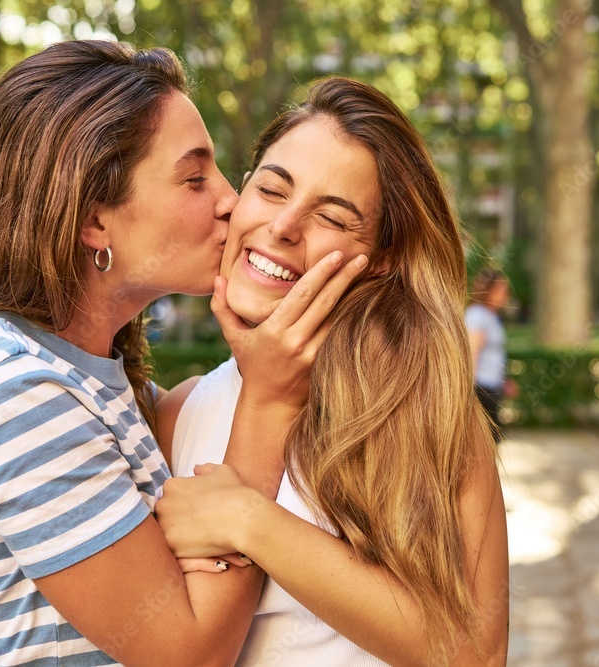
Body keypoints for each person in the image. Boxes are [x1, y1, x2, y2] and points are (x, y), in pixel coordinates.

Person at [0, 40, 365, 666]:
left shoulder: (84, 378)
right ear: (95, 220)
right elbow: (189, 655)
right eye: (195, 177)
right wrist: (269, 400)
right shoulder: (10, 391)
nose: (231, 199)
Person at [155, 77, 510, 666]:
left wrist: (248, 519)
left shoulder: (418, 411)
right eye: (271, 189)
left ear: (382, 260)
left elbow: (474, 653)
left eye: (334, 217)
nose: (284, 227)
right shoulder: (176, 414)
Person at [465, 268, 511, 438]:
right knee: (486, 442)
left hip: (491, 387)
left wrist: (504, 380)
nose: (505, 294)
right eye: (500, 289)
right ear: (487, 290)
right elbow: (471, 354)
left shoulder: (492, 316)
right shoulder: (477, 316)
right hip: (480, 390)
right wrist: (469, 394)